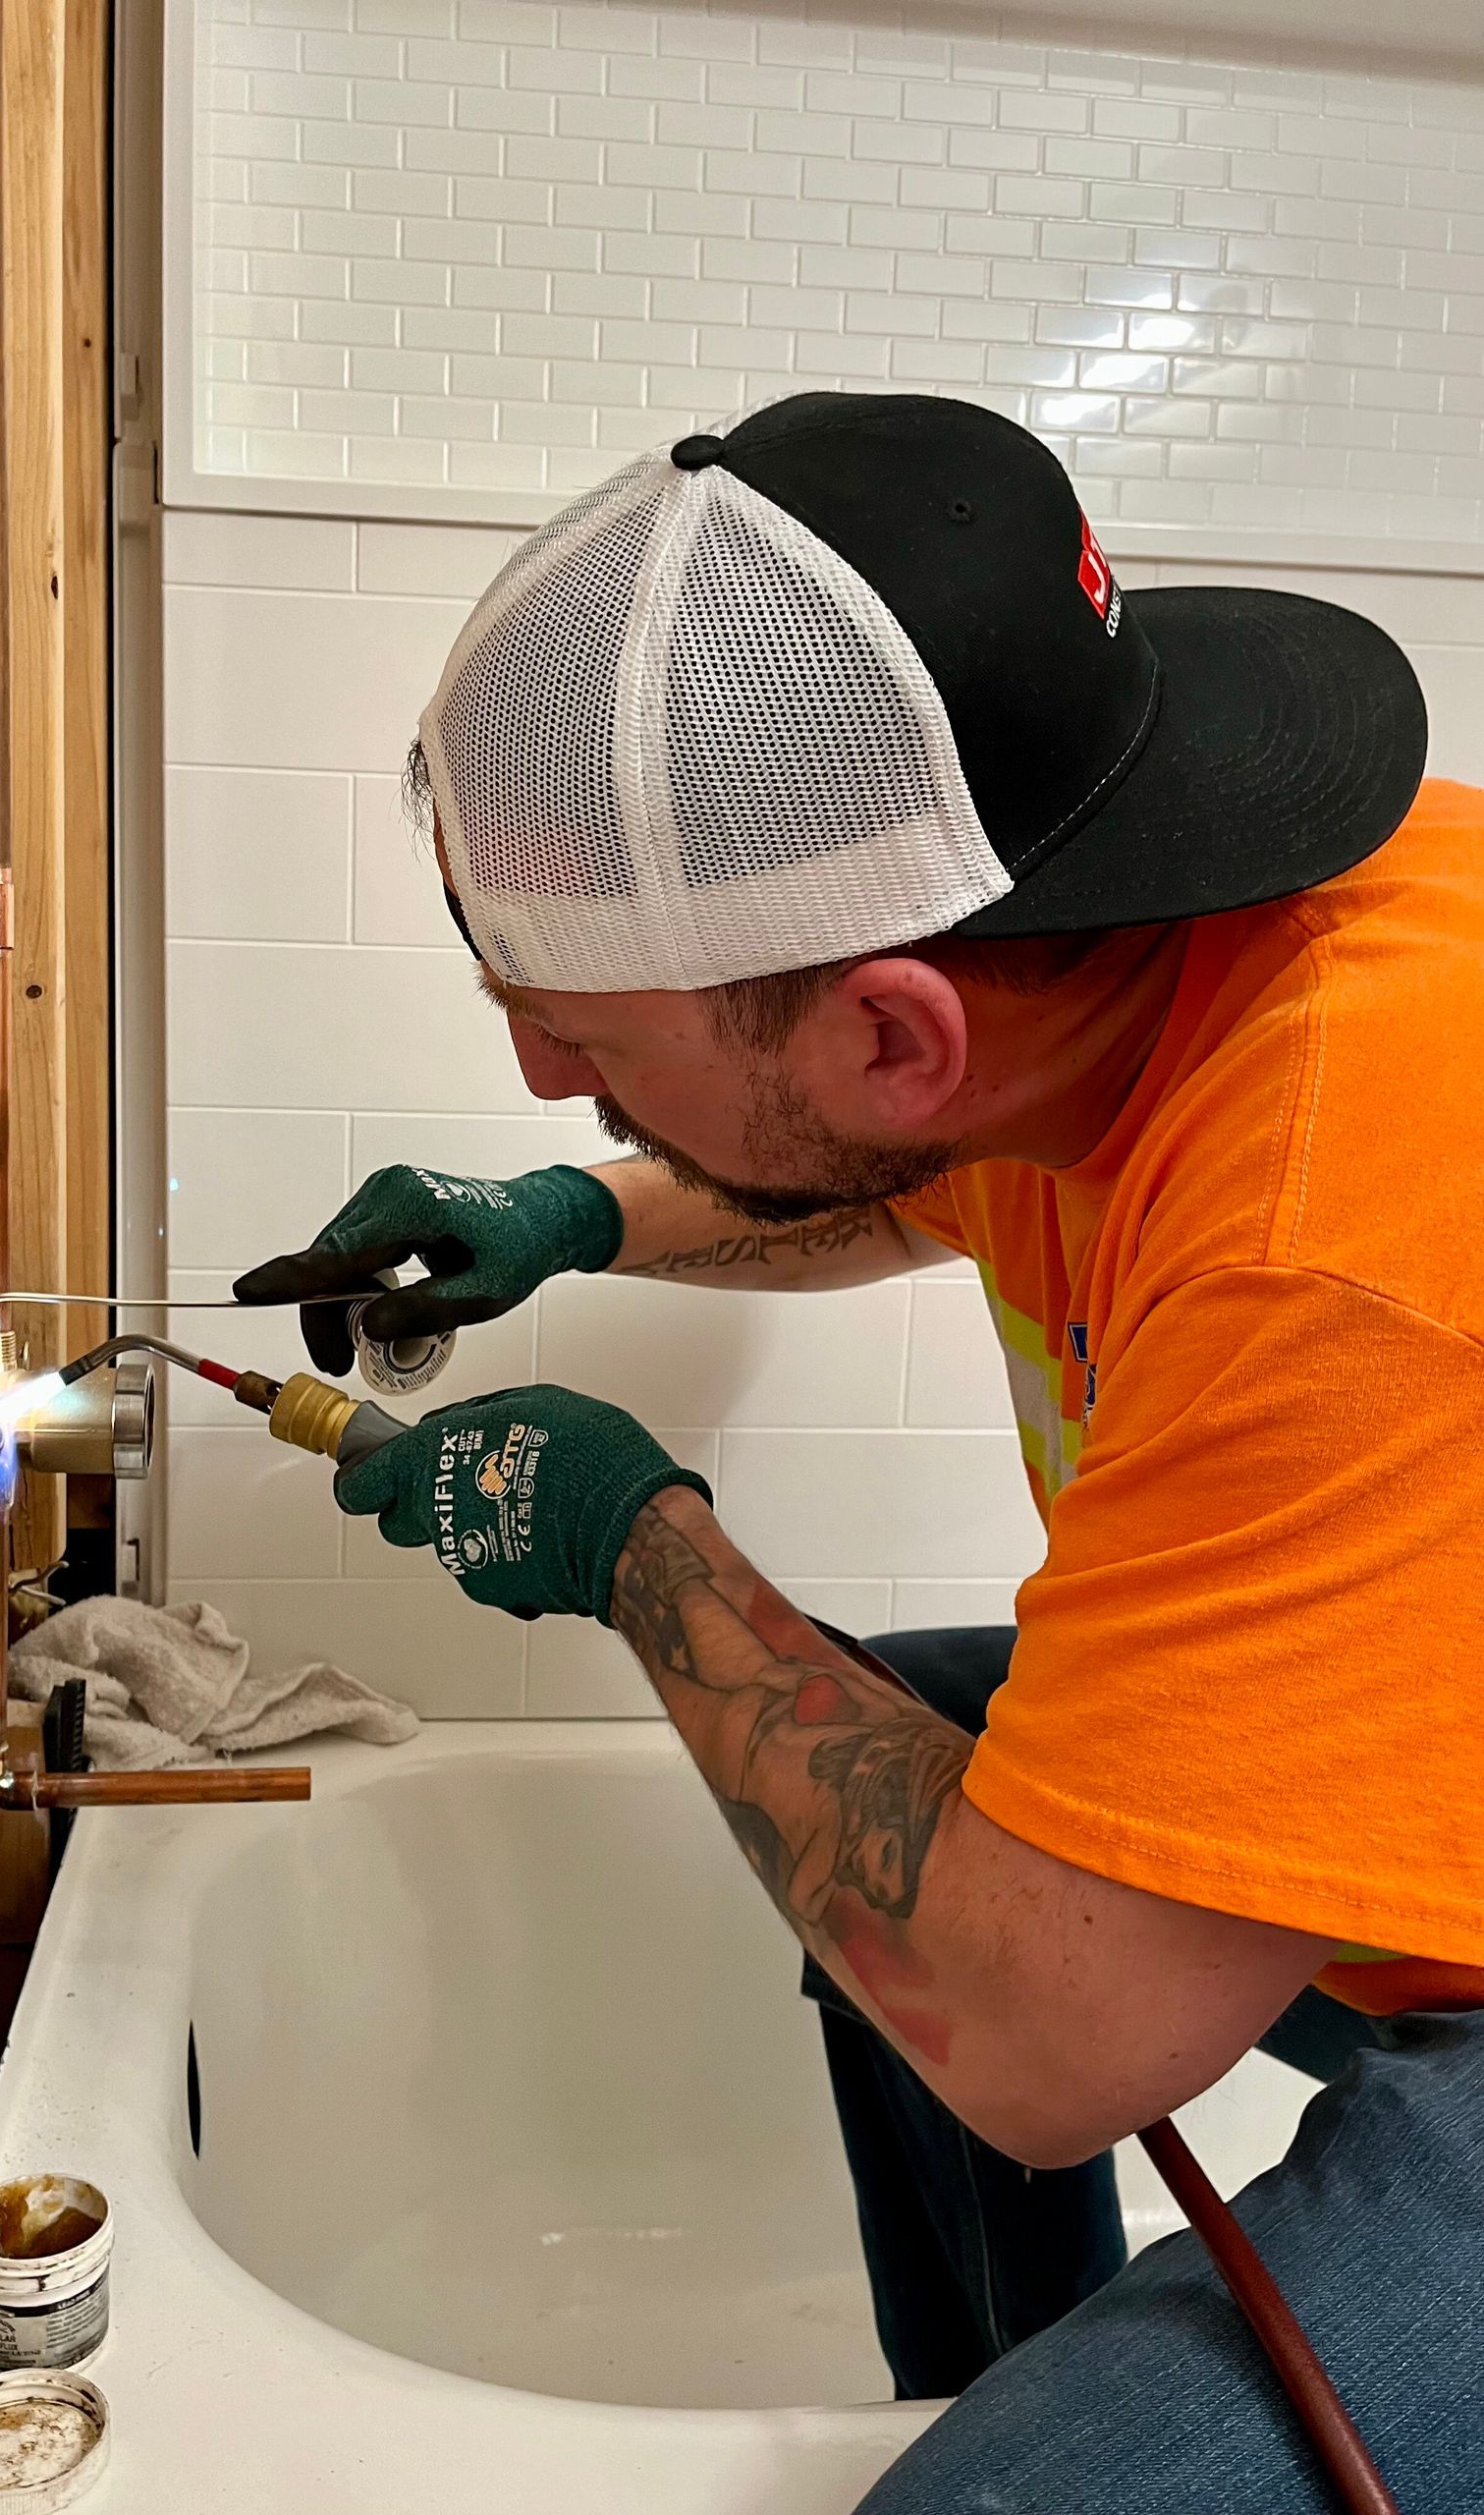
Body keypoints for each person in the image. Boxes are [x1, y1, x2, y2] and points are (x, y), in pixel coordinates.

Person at [235, 393, 1484, 2511]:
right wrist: (578, 1215)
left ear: (898, 1029)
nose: (535, 1066)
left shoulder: (1334, 1221)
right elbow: (905, 1176)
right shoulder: (1112, 939)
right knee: (882, 1771)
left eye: (587, 1045)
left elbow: (1052, 2036)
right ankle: (984, 2361)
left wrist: (634, 1542)